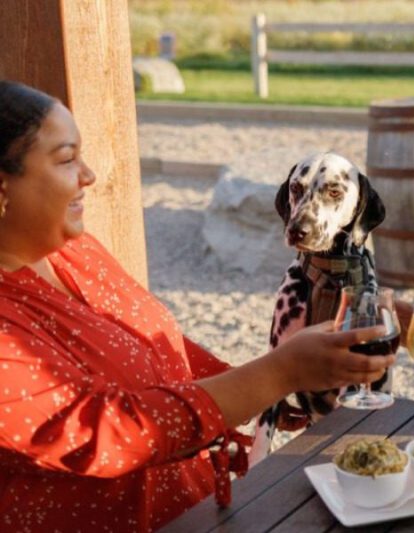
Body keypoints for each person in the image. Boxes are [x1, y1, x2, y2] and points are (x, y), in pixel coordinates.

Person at [0, 80, 394, 532]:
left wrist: (258, 393)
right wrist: (277, 373)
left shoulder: (73, 250)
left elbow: (153, 346)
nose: (88, 175)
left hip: (202, 508)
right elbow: (101, 433)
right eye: (68, 159)